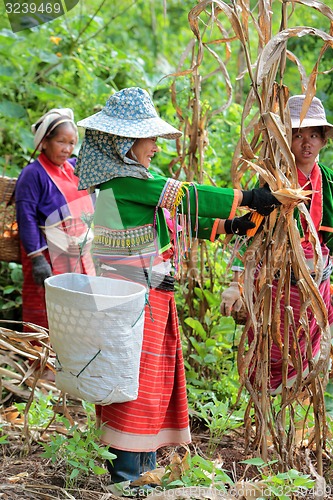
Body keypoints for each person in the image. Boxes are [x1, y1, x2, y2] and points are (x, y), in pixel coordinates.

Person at [74, 87, 280, 484]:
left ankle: (142, 468)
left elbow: (180, 222)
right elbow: (186, 197)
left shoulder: (135, 180)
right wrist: (247, 197)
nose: (155, 146)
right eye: (149, 138)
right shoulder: (123, 182)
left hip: (150, 302)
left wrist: (231, 225)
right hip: (133, 305)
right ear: (125, 143)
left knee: (152, 382)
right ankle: (127, 475)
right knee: (136, 382)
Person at [220, 94, 333, 394]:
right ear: (285, 140)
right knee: (274, 351)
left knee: (311, 353)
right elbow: (250, 231)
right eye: (297, 136)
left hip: (316, 285)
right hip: (277, 285)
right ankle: (265, 421)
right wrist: (236, 284)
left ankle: (297, 429)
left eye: (313, 135)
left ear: (323, 140)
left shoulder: (330, 183)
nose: (306, 143)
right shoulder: (274, 185)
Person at [15, 108, 95, 331]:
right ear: (44, 142)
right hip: (47, 259)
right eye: (61, 142)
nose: (68, 149)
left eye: (72, 143)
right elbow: (26, 217)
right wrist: (37, 259)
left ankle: (70, 365)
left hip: (78, 257)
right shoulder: (33, 174)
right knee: (46, 320)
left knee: (78, 317)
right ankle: (40, 365)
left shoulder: (71, 168)